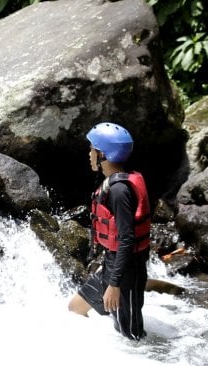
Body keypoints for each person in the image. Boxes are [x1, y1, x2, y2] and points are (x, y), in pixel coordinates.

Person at [67, 122, 150, 340]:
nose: (89, 154)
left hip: (125, 272)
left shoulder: (120, 191)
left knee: (131, 336)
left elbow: (126, 239)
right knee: (76, 307)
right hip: (112, 265)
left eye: (92, 149)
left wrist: (114, 284)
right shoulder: (113, 183)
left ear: (103, 153)